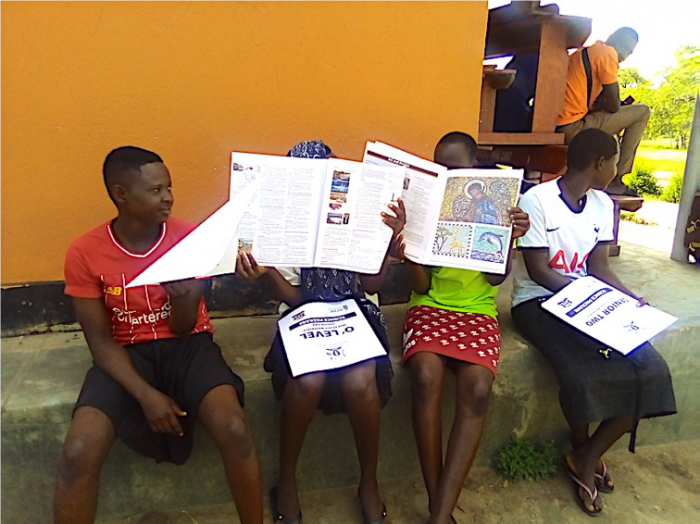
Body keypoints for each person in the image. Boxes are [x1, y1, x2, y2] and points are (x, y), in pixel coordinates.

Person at [54, 147, 263, 524]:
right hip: (124, 352)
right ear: (121, 194)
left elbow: (184, 327)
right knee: (78, 450)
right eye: (155, 190)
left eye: (169, 187)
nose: (168, 197)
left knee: (234, 428)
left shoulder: (190, 239)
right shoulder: (85, 253)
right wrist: (146, 395)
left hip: (188, 346)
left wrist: (183, 300)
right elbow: (100, 342)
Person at [236, 140, 405, 524]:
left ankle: (368, 482)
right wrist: (266, 271)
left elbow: (372, 284)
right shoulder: (286, 223)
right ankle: (288, 480)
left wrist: (385, 242)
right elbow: (296, 298)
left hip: (357, 309)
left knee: (360, 381)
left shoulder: (358, 213)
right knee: (307, 380)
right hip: (304, 312)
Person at [510, 129, 676, 516]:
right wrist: (587, 298)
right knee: (581, 376)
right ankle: (582, 452)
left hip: (589, 302)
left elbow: (599, 266)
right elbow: (539, 271)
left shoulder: (603, 205)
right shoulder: (537, 201)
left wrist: (629, 299)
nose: (616, 169)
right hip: (538, 302)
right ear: (599, 163)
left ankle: (586, 455)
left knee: (651, 371)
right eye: (615, 162)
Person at [394, 131, 530, 524]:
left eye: (453, 169)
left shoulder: (497, 208)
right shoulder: (424, 208)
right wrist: (407, 246)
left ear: (473, 169)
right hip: (430, 306)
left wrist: (507, 238)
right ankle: (439, 504)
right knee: (425, 376)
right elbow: (422, 287)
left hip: (477, 310)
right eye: (439, 168)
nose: (445, 176)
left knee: (477, 388)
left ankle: (439, 515)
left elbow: (494, 279)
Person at [556, 27, 649, 196]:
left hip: (561, 123)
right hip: (572, 127)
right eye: (623, 47)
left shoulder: (586, 52)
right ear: (612, 38)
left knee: (612, 138)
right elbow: (613, 106)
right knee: (642, 112)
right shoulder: (608, 53)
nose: (624, 55)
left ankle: (610, 176)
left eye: (629, 52)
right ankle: (617, 179)